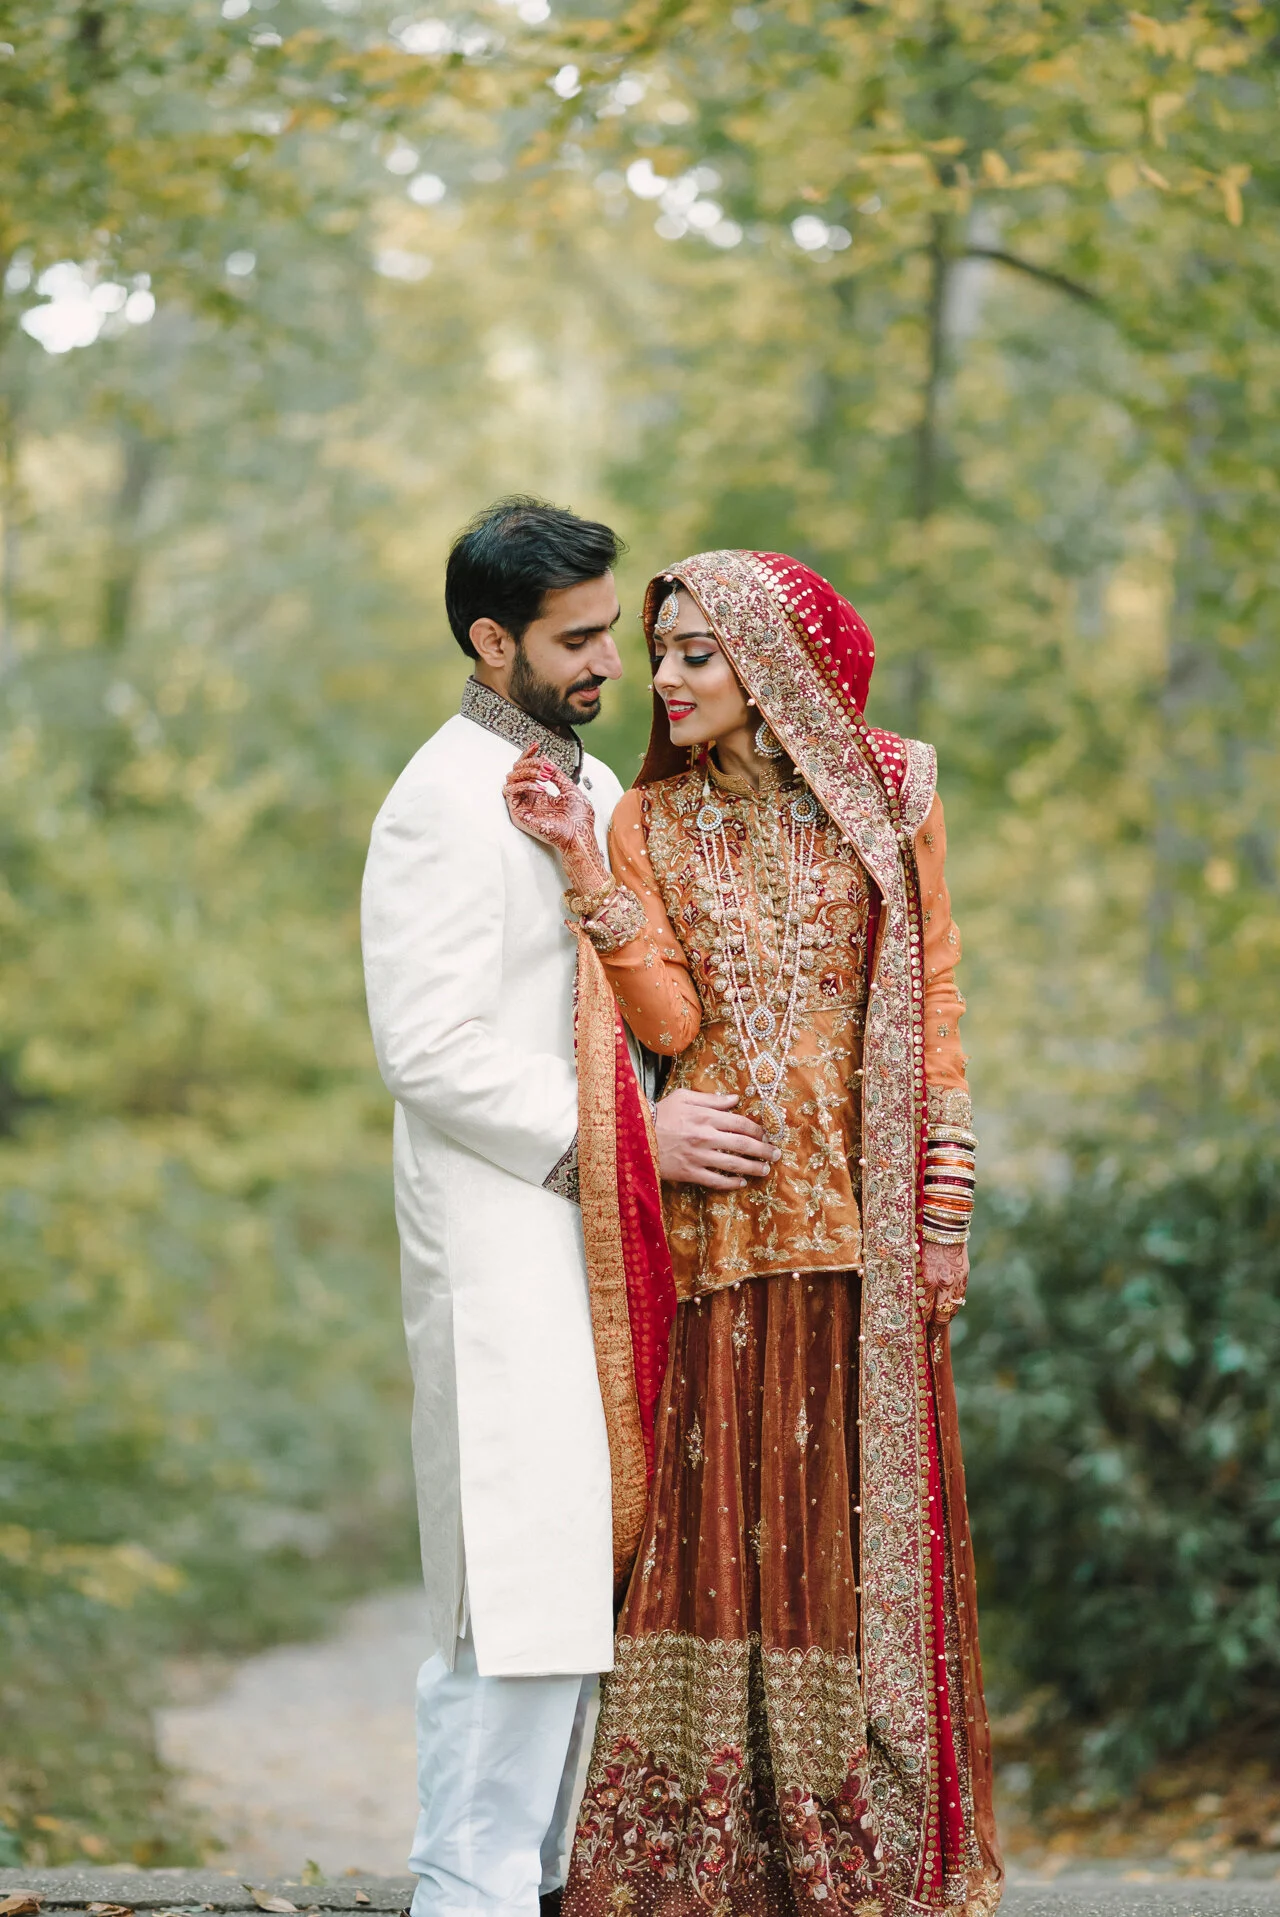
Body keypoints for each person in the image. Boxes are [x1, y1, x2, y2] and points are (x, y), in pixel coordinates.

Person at [505, 551, 1003, 1916]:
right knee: (714, 1525)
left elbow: (935, 1000)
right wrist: (585, 866)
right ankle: (702, 1852)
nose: (661, 679)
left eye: (694, 653)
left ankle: (847, 1842)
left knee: (844, 1535)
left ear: (774, 663)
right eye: (660, 652)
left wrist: (944, 1207)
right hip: (718, 1226)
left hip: (861, 1230)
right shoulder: (649, 823)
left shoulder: (895, 796)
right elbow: (668, 1022)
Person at [361, 503, 776, 1917]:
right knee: (518, 1587)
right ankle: (464, 1890)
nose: (616, 662)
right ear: (494, 642)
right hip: (507, 1235)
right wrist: (631, 1141)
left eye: (614, 631)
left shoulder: (589, 785)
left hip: (612, 1240)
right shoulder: (438, 799)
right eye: (579, 638)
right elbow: (425, 1049)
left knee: (592, 1586)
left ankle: (538, 1884)